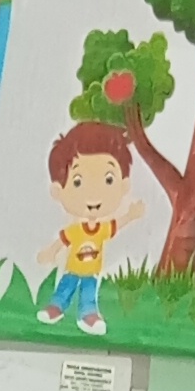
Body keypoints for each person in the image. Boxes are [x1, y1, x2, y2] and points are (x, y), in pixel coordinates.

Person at [37, 120, 142, 333]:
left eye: (109, 179)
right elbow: (63, 240)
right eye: (77, 182)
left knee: (88, 293)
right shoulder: (76, 230)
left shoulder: (102, 229)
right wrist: (51, 251)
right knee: (65, 287)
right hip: (72, 269)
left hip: (91, 272)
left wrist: (131, 216)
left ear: (123, 185)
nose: (94, 193)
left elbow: (116, 225)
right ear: (58, 190)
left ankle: (88, 315)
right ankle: (56, 307)